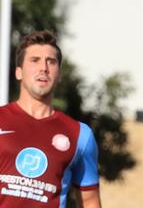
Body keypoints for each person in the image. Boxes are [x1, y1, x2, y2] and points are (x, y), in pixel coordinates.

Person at [0, 31, 101, 208]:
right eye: (35, 60)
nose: (43, 68)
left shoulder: (80, 135)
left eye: (51, 62)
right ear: (18, 72)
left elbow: (90, 201)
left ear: (59, 74)